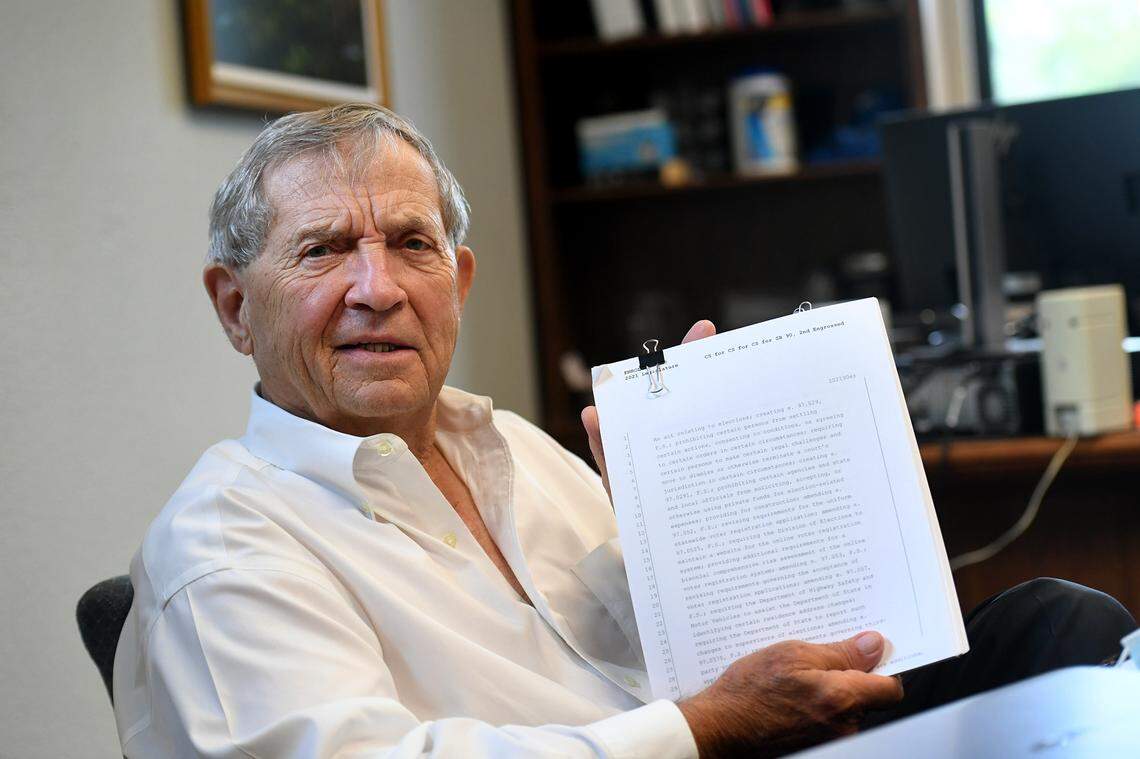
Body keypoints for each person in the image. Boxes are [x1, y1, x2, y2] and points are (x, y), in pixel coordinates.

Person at [112, 104, 1136, 758]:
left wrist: (702, 494)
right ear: (236, 307)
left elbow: (709, 652)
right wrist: (704, 729)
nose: (375, 289)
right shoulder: (225, 546)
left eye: (411, 245)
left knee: (1058, 625)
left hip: (758, 744)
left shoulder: (521, 447)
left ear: (458, 284)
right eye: (323, 250)